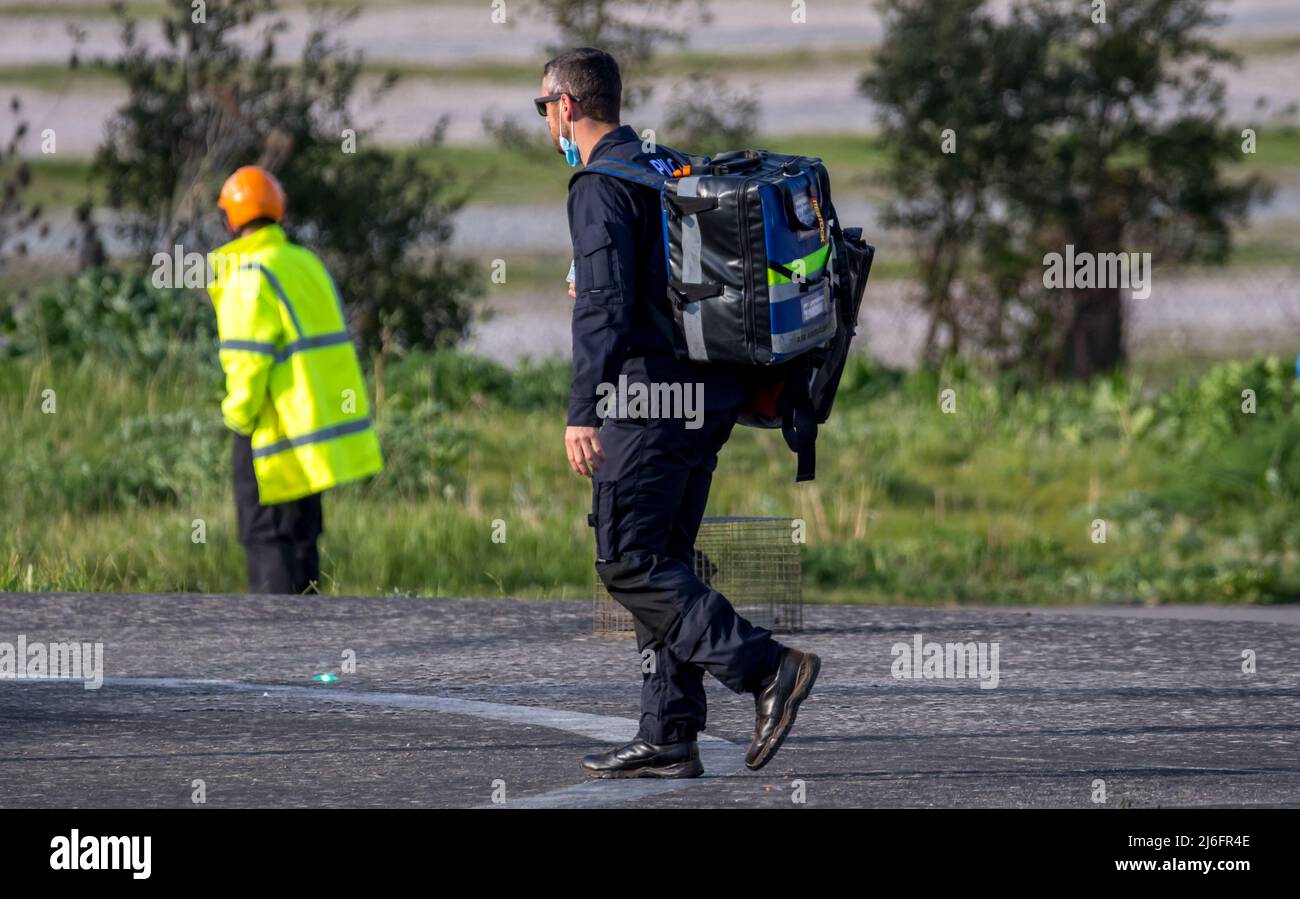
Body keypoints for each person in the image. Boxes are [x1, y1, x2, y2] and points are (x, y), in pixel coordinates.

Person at [538, 48, 821, 777]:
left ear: (568, 106)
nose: (545, 120)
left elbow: (602, 306)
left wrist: (583, 409)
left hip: (650, 399)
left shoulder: (600, 184)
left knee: (627, 558)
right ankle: (669, 731)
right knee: (663, 556)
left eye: (543, 106)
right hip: (708, 396)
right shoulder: (664, 168)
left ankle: (765, 668)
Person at [207, 165, 384, 594]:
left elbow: (248, 363)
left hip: (271, 439)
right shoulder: (305, 263)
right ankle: (308, 656)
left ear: (231, 219)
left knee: (268, 547)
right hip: (312, 440)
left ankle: (276, 655)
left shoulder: (249, 272)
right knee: (303, 550)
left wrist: (236, 418)